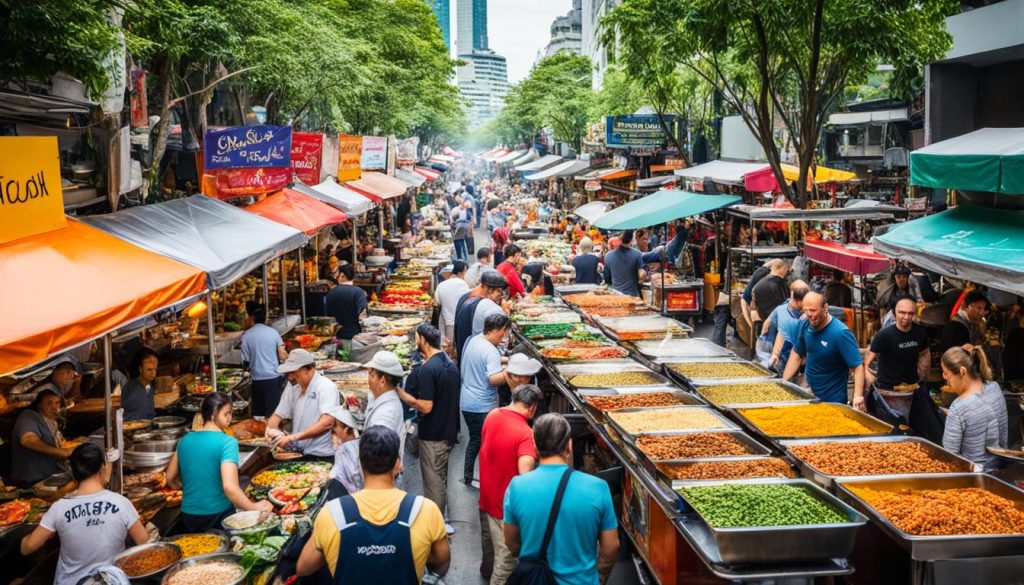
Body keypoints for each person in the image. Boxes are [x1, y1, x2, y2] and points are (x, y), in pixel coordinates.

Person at [297, 426, 451, 584]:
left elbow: (303, 567)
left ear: (360, 463)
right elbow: (442, 561)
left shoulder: (332, 514)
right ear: (398, 464)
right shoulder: (425, 510)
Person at [503, 414, 619, 585]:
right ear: (569, 445)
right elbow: (611, 548)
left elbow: (512, 543)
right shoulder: (598, 487)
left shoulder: (517, 486)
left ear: (534, 444)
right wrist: (599, 578)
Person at [21, 443, 148, 584]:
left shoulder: (59, 507)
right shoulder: (121, 503)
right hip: (111, 581)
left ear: (74, 472)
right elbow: (143, 540)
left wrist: (25, 537)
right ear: (102, 468)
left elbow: (27, 548)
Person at [166, 392, 274, 531]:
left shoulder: (184, 440)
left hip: (189, 515)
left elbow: (169, 478)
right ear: (214, 413)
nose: (230, 418)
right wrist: (253, 507)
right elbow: (230, 487)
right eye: (226, 413)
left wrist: (192, 492)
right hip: (218, 515)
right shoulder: (227, 442)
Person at [397, 325, 461, 535]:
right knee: (441, 477)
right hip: (448, 431)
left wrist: (402, 394)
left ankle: (436, 527)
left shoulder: (427, 370)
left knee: (433, 482)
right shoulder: (449, 364)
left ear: (423, 340)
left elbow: (426, 406)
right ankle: (442, 518)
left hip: (433, 435)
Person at [479, 385, 541, 585]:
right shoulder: (525, 434)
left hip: (487, 497)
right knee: (506, 564)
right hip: (506, 508)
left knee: (493, 550)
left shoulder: (492, 415)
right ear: (531, 408)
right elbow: (525, 477)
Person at [782, 292, 865, 407]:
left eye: (813, 310)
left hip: (832, 401)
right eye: (805, 310)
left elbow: (857, 367)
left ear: (825, 308)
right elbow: (797, 353)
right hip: (809, 395)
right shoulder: (805, 323)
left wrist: (858, 396)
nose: (809, 314)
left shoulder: (840, 333)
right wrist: (783, 383)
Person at [459, 313, 511, 486]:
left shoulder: (474, 340)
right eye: (504, 333)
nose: (504, 337)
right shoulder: (490, 350)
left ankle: (468, 475)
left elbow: (484, 361)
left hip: (467, 401)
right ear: (498, 330)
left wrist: (507, 360)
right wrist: (510, 372)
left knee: (475, 439)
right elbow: (494, 379)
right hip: (481, 405)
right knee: (485, 444)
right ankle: (486, 479)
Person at [941, 346, 1007, 471]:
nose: (944, 377)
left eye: (946, 373)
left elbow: (950, 460)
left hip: (972, 482)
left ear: (962, 372)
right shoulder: (995, 388)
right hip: (1000, 472)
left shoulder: (958, 407)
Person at [266, 349, 340, 460]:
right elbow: (279, 413)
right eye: (288, 373)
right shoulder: (293, 386)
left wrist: (293, 437)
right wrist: (270, 429)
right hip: (298, 451)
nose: (290, 377)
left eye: (294, 372)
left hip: (320, 454)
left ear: (308, 369)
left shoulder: (326, 387)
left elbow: (327, 422)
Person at [865, 298, 931, 392]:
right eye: (902, 312)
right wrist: (869, 377)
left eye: (910, 313)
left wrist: (922, 376)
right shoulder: (884, 335)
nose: (906, 317)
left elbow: (924, 354)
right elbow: (867, 361)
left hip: (911, 387)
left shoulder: (920, 333)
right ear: (894, 313)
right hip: (888, 389)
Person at [11, 389, 70, 487]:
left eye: (57, 403)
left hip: (52, 475)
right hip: (34, 480)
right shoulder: (28, 416)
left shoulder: (52, 421)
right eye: (49, 403)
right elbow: (27, 440)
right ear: (39, 404)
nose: (54, 407)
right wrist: (62, 452)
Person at [241, 306, 288, 417]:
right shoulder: (274, 333)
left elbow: (245, 360)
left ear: (253, 319)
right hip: (273, 377)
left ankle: (260, 431)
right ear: (265, 319)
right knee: (273, 412)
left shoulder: (247, 335)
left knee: (259, 413)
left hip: (257, 379)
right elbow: (282, 354)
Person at [362, 351, 407, 458]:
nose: (368, 380)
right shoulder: (384, 398)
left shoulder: (385, 415)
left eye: (371, 375)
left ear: (382, 381)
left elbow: (378, 455)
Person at [453, 271, 508, 358]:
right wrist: (504, 312)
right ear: (488, 288)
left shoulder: (464, 297)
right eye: (499, 291)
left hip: (463, 355)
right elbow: (500, 341)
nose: (501, 295)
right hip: (481, 360)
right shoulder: (491, 308)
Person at [766, 280, 809, 373]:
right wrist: (774, 354)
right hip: (785, 355)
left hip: (798, 356)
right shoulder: (783, 312)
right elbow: (780, 335)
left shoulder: (782, 308)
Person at [325, 405, 362, 500]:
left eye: (335, 426)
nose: (334, 430)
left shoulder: (344, 450)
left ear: (346, 430)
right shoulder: (362, 444)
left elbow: (334, 477)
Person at [327, 264, 369, 345]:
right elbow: (363, 315)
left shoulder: (331, 292)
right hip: (353, 336)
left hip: (334, 336)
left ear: (342, 276)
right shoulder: (358, 292)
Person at [434, 260, 470, 347]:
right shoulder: (464, 284)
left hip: (446, 321)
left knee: (446, 345)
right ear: (461, 272)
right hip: (459, 320)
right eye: (466, 271)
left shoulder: (441, 285)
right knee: (456, 346)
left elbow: (437, 302)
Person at [602, 230, 645, 297]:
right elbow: (642, 275)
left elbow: (606, 278)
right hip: (633, 296)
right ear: (632, 240)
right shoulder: (637, 254)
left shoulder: (608, 255)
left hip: (616, 296)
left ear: (620, 239)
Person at [751, 259, 791, 332]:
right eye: (785, 269)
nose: (786, 272)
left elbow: (753, 307)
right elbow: (786, 306)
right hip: (778, 327)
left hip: (761, 324)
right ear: (780, 268)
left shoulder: (757, 285)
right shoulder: (781, 285)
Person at [122, 347, 159, 421]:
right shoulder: (131, 389)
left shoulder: (152, 385)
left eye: (155, 369)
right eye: (149, 370)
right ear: (140, 369)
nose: (153, 373)